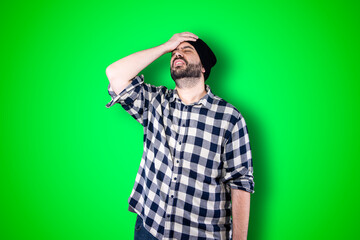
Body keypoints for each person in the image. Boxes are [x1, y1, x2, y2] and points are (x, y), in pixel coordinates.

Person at [105, 32, 254, 240]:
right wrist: (165, 46)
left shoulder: (230, 118)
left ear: (203, 67)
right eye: (174, 53)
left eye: (186, 50)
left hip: (202, 235)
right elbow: (115, 74)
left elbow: (240, 183)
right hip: (150, 228)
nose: (177, 54)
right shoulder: (155, 101)